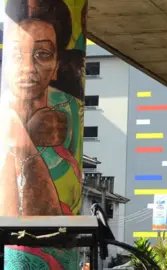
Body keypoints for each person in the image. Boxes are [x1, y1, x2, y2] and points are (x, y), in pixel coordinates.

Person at [0, 0, 84, 268]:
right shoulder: (5, 117)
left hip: (62, 249)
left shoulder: (70, 109)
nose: (28, 68)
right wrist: (22, 137)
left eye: (43, 54)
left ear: (58, 62)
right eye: (17, 55)